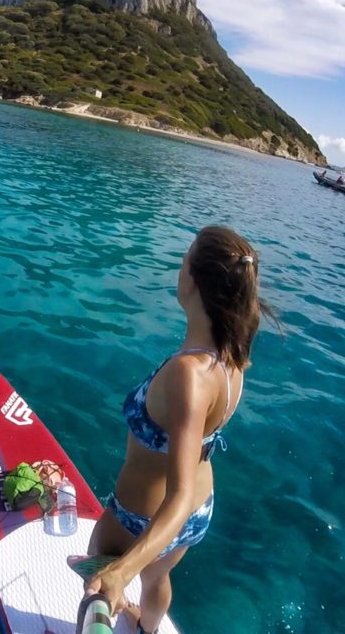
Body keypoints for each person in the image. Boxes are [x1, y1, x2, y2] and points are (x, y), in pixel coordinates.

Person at [84, 226, 274, 634]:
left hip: (143, 515)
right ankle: (147, 630)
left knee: (98, 580)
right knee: (158, 577)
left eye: (184, 259)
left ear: (192, 280)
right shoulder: (233, 359)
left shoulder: (188, 373)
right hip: (198, 513)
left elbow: (178, 493)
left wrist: (120, 572)